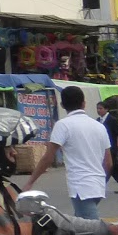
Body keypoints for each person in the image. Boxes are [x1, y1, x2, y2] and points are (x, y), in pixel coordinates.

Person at [25, 85, 112, 219]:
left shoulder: (63, 125)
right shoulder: (99, 126)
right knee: (79, 223)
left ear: (62, 104)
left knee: (91, 229)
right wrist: (101, 179)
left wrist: (30, 181)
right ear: (84, 103)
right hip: (99, 184)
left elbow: (48, 158)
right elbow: (108, 163)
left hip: (80, 186)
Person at [96, 100, 118, 190]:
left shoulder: (112, 120)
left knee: (110, 166)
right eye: (97, 108)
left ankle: (102, 185)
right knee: (114, 167)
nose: (98, 110)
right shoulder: (98, 120)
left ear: (106, 109)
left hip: (111, 147)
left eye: (100, 108)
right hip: (101, 148)